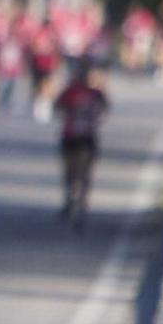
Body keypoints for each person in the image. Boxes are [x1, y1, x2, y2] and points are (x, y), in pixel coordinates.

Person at [54, 61, 111, 229]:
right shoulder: (70, 91)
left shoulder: (95, 92)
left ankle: (82, 203)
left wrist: (95, 116)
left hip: (87, 137)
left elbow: (105, 106)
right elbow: (58, 106)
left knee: (85, 172)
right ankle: (70, 198)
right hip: (70, 135)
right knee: (70, 170)